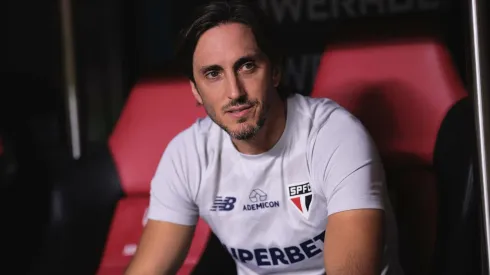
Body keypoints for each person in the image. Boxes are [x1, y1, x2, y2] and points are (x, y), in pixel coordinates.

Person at [125, 0, 403, 274]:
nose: (234, 92)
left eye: (247, 66)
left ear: (275, 71)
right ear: (196, 91)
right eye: (213, 74)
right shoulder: (188, 155)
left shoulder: (334, 136)